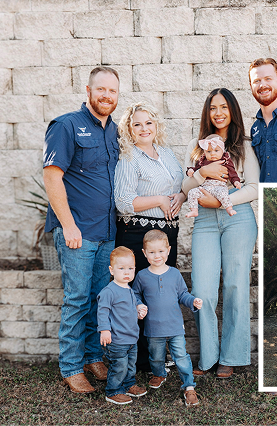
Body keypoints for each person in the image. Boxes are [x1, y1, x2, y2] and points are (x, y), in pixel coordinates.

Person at [43, 66, 120, 393]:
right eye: (100, 89)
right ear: (88, 92)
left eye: (112, 91)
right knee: (77, 299)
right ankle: (72, 366)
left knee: (99, 298)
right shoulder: (66, 126)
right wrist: (69, 225)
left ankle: (92, 356)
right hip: (78, 232)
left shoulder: (115, 131)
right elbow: (52, 176)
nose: (106, 95)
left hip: (106, 232)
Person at [182, 87, 259, 379]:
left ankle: (232, 356)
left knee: (236, 287)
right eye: (213, 107)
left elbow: (253, 187)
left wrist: (219, 200)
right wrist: (204, 173)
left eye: (224, 107)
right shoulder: (196, 144)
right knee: (202, 289)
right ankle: (208, 355)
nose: (218, 113)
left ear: (232, 110)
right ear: (207, 112)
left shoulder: (244, 144)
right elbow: (185, 186)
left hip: (237, 218)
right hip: (203, 221)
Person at [114, 102, 185, 372]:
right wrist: (158, 199)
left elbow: (179, 186)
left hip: (167, 235)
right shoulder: (129, 157)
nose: (144, 128)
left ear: (156, 125)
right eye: (137, 124)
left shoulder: (166, 154)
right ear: (129, 130)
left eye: (148, 123)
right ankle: (139, 361)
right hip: (137, 234)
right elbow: (123, 201)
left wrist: (180, 195)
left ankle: (156, 358)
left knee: (161, 296)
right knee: (140, 297)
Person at [132, 230, 203, 407]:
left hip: (175, 327)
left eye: (161, 251)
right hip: (153, 328)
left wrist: (193, 301)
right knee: (156, 357)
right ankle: (159, 374)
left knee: (181, 357)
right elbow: (134, 295)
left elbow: (183, 295)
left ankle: (189, 387)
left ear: (168, 250)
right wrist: (138, 305)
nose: (157, 256)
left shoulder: (174, 274)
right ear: (144, 253)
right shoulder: (141, 276)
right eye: (152, 252)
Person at [97, 247, 148, 405]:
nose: (127, 272)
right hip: (117, 339)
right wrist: (104, 330)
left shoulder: (129, 290)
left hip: (131, 338)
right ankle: (113, 391)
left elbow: (132, 305)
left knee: (130, 365)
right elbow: (102, 311)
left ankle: (128, 384)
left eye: (130, 268)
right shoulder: (109, 291)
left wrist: (139, 308)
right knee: (119, 366)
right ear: (112, 270)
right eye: (121, 268)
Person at [186, 134, 241, 218]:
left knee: (223, 194)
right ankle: (194, 210)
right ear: (204, 152)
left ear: (222, 150)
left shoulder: (225, 160)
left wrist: (236, 181)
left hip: (219, 186)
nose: (212, 154)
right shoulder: (202, 160)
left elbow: (232, 172)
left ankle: (229, 208)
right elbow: (196, 169)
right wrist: (190, 170)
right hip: (205, 188)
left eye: (216, 151)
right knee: (192, 192)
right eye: (209, 151)